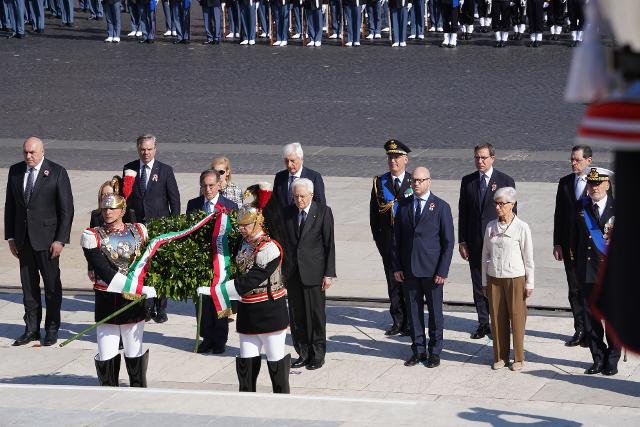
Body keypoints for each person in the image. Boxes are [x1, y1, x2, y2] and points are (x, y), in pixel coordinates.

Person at [198, 183, 290, 393]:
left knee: (276, 363)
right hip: (248, 312)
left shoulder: (269, 248)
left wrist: (218, 292)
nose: (241, 228)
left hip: (269, 312)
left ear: (258, 223)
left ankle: (282, 400)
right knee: (246, 366)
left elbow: (252, 280)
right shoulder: (245, 244)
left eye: (246, 225)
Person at [4, 137, 74, 347]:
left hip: (48, 241)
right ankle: (31, 329)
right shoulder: (15, 171)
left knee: (52, 288)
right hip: (23, 241)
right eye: (25, 152)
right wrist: (11, 236)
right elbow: (10, 207)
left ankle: (51, 329)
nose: (28, 156)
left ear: (42, 152)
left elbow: (66, 210)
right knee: (28, 289)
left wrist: (60, 239)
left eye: (32, 153)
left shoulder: (57, 172)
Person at [81, 190, 155, 387]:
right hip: (108, 299)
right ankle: (108, 390)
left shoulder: (139, 230)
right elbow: (103, 270)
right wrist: (137, 287)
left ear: (122, 210)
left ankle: (138, 388)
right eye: (105, 208)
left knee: (134, 351)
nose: (108, 212)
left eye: (112, 208)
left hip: (133, 301)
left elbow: (148, 262)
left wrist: (151, 287)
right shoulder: (92, 235)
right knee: (107, 353)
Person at [392, 167, 454, 369]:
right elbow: (397, 240)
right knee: (413, 312)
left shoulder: (441, 207)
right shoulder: (403, 206)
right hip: (409, 269)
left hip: (432, 270)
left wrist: (442, 271)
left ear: (429, 181)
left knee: (435, 313)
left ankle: (435, 351)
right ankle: (418, 349)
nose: (416, 183)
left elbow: (448, 242)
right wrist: (397, 267)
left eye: (420, 180)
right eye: (413, 180)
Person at [458, 143, 515, 341]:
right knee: (478, 283)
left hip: (497, 240)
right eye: (476, 157)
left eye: (483, 158)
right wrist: (462, 240)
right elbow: (463, 213)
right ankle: (483, 322)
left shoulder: (505, 180)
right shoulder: (468, 181)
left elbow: (512, 215)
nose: (479, 161)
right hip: (474, 241)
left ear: (493, 158)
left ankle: (500, 321)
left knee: (498, 282)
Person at [123, 134, 181, 323]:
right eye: (142, 149)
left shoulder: (165, 170)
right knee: (141, 267)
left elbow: (174, 200)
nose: (146, 153)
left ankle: (160, 306)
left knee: (160, 267)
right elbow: (126, 197)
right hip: (138, 227)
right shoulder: (129, 168)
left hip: (160, 227)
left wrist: (174, 227)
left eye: (149, 149)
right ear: (138, 149)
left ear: (155, 149)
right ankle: (145, 306)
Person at [570, 167, 620, 376]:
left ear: (607, 184)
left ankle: (612, 359)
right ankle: (597, 357)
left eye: (598, 183)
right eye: (591, 184)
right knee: (591, 320)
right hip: (588, 272)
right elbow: (573, 239)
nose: (594, 188)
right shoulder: (581, 208)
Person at [282, 178, 336, 370]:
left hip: (315, 272)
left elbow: (329, 245)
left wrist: (328, 274)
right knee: (297, 316)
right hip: (293, 273)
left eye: (302, 196)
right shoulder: (287, 213)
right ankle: (303, 352)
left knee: (315, 316)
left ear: (311, 195)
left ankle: (318, 354)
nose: (299, 200)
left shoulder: (323, 212)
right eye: (295, 196)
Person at [481, 187, 534, 372]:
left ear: (512, 204)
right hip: (495, 277)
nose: (498, 207)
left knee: (517, 318)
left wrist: (530, 283)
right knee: (496, 318)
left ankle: (518, 357)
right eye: (496, 203)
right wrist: (484, 282)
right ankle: (500, 356)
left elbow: (528, 258)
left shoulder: (522, 227)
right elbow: (484, 255)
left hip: (515, 278)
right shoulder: (490, 226)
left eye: (502, 203)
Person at [186, 169, 238, 354]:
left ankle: (220, 340)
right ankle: (206, 338)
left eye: (211, 185)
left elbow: (234, 237)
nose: (207, 190)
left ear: (219, 185)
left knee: (219, 299)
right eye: (204, 186)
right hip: (201, 262)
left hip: (221, 261)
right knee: (202, 301)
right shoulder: (193, 205)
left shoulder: (230, 206)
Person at [369, 139, 412, 336]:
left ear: (406, 159)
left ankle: (411, 322)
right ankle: (398, 320)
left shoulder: (414, 181)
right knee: (393, 284)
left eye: (396, 157)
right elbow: (374, 218)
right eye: (390, 157)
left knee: (410, 285)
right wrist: (381, 243)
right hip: (389, 244)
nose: (392, 161)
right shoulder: (380, 182)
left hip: (409, 244)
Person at [553, 145, 592, 347]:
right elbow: (559, 214)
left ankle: (591, 329)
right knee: (574, 289)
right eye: (571, 160)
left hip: (590, 247)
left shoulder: (598, 183)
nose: (573, 163)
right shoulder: (565, 183)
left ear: (588, 161)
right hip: (569, 246)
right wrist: (557, 242)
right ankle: (579, 329)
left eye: (577, 160)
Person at [273, 143, 326, 210]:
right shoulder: (279, 177)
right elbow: (275, 203)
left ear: (301, 158)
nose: (289, 165)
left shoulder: (314, 177)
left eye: (292, 161)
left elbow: (321, 205)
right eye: (286, 161)